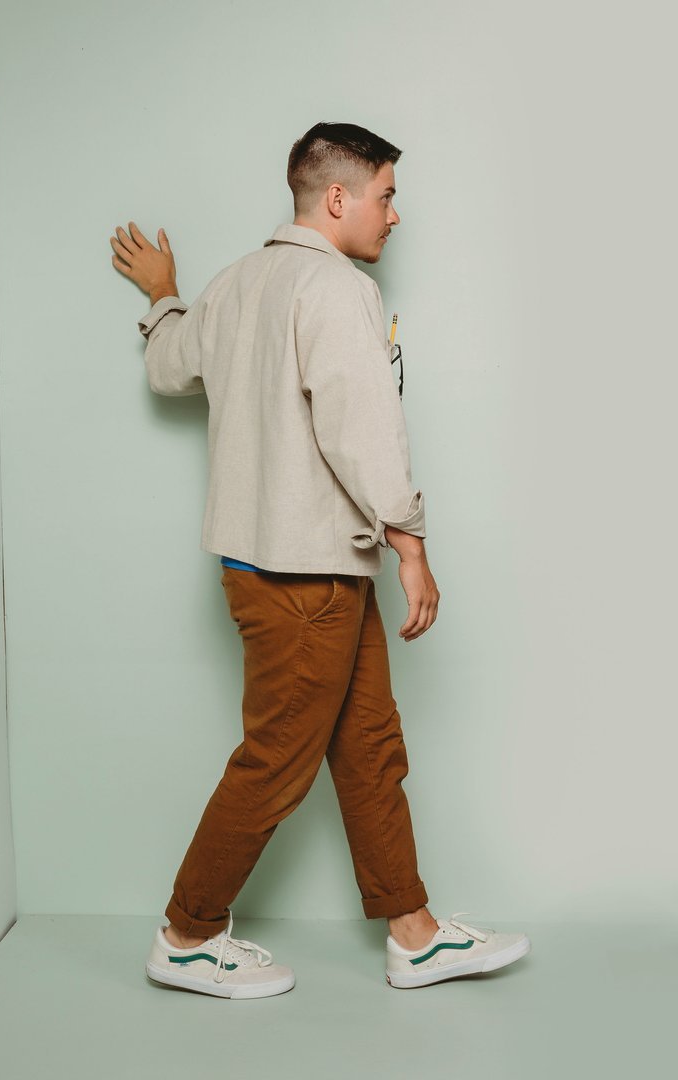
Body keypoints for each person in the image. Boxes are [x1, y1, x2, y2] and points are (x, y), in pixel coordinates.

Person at [109, 121, 530, 999]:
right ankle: (187, 934)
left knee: (370, 746)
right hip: (305, 579)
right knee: (276, 762)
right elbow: (360, 430)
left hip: (294, 570)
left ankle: (414, 934)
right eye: (386, 196)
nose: (395, 215)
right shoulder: (337, 289)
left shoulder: (234, 283)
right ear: (337, 197)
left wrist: (164, 294)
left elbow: (168, 368)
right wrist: (411, 544)